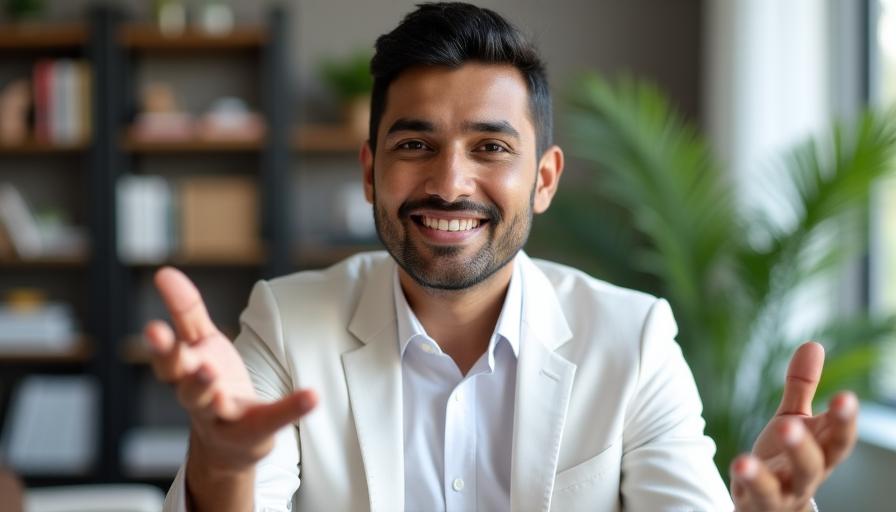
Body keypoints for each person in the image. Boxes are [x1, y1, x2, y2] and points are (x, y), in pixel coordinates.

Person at [151, 3, 859, 511]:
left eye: (490, 148)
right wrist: (224, 463)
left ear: (544, 179)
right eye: (414, 144)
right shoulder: (287, 321)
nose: (450, 182)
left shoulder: (633, 339)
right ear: (370, 171)